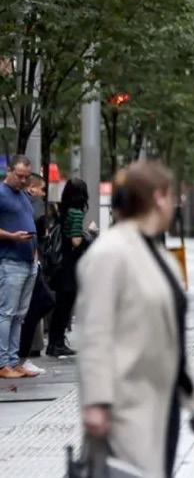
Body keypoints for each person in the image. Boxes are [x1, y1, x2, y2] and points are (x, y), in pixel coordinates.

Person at [76, 161, 194, 478]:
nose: (176, 203)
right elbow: (94, 333)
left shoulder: (159, 255)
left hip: (161, 404)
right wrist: (96, 403)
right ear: (159, 198)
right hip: (124, 406)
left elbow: (174, 338)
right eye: (173, 195)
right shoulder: (110, 253)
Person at [0, 155, 39, 379]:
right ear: (9, 171)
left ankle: (14, 361)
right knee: (7, 313)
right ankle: (3, 363)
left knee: (18, 315)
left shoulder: (22, 195)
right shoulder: (2, 193)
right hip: (11, 262)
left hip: (28, 262)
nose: (23, 180)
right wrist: (12, 236)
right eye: (19, 176)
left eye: (26, 177)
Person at [47, 178, 91, 357]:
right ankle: (57, 343)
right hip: (70, 267)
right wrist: (89, 235)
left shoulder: (63, 211)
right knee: (65, 306)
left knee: (60, 306)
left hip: (60, 266)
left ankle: (53, 343)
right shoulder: (76, 213)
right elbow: (76, 241)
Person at [16, 174, 54, 372]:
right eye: (42, 189)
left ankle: (20, 355)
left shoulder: (25, 205)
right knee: (37, 305)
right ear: (31, 188)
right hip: (28, 262)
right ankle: (20, 356)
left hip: (31, 262)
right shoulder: (31, 206)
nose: (43, 193)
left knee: (36, 305)